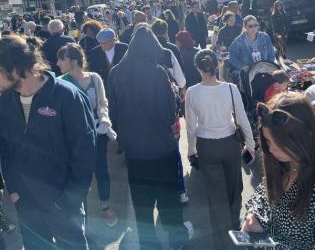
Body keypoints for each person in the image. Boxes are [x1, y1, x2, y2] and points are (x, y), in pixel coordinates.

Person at [0, 35, 96, 250]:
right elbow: (5, 150)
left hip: (64, 205)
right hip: (26, 205)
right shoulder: (4, 101)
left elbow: (85, 154)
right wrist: (14, 190)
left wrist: (69, 202)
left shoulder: (67, 96)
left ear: (14, 68)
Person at [108, 26, 193, 250]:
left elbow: (113, 113)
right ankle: (176, 240)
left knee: (142, 204)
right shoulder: (157, 72)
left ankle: (149, 244)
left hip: (134, 151)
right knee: (168, 200)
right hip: (161, 148)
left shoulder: (116, 72)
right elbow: (168, 114)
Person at [185, 49, 255, 249]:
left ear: (198, 68)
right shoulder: (231, 88)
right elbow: (242, 120)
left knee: (216, 192)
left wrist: (191, 151)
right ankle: (235, 226)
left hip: (206, 146)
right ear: (217, 66)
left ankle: (221, 239)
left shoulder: (192, 92)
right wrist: (250, 145)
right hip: (230, 144)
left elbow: (191, 128)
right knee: (235, 186)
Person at [243, 94, 315, 250]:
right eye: (268, 141)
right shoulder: (281, 164)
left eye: (280, 142)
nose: (271, 149)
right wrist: (254, 217)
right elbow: (262, 194)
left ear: (303, 136)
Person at [57, 43, 118, 227]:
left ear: (74, 60)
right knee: (77, 175)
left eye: (62, 58)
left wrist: (105, 120)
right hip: (73, 139)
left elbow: (102, 103)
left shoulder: (95, 78)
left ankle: (105, 206)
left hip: (97, 134)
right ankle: (80, 212)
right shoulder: (61, 82)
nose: (58, 62)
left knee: (101, 171)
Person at [89, 28, 128, 92]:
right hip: (105, 87)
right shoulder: (95, 52)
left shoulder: (124, 48)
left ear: (113, 40)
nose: (101, 45)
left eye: (104, 43)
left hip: (123, 85)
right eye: (100, 43)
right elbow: (93, 70)